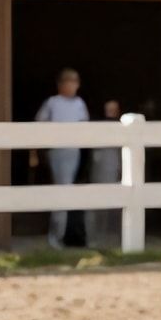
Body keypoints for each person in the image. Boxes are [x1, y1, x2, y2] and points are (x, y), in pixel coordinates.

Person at [34, 68, 90, 248]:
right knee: (62, 189)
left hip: (73, 151)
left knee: (68, 189)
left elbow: (85, 125)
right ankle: (55, 236)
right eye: (69, 81)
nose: (73, 84)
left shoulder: (80, 103)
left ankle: (63, 235)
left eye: (75, 81)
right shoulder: (52, 102)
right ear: (60, 84)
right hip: (57, 152)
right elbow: (39, 124)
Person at [87, 99, 124, 243]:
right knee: (98, 203)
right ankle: (97, 235)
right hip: (100, 168)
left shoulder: (122, 126)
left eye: (113, 109)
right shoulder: (98, 127)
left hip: (115, 167)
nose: (111, 112)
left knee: (117, 203)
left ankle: (115, 235)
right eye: (108, 109)